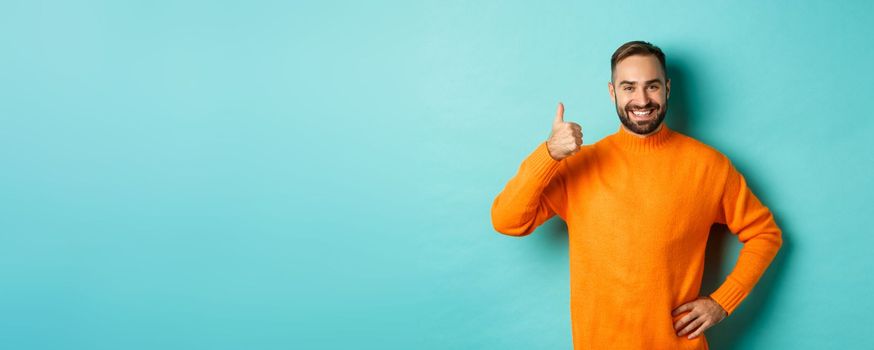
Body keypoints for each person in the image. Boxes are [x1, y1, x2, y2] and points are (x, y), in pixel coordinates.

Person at [490, 40, 783, 349]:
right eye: (628, 87)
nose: (642, 99)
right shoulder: (580, 165)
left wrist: (723, 301)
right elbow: (507, 220)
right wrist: (548, 154)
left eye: (652, 86)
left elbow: (764, 233)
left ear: (667, 88)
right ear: (612, 92)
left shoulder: (708, 166)